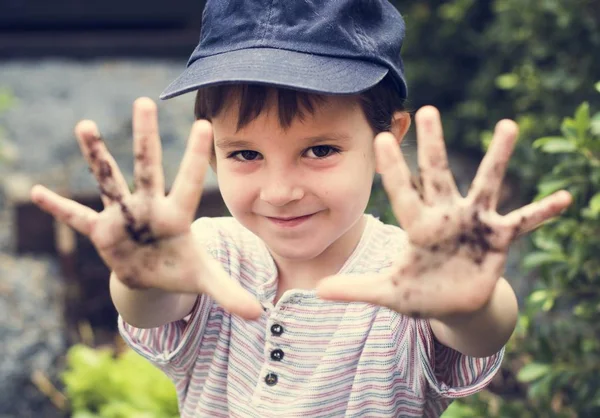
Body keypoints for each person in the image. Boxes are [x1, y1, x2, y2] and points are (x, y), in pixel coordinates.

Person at [30, 0, 573, 416]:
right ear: (212, 150)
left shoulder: (414, 276)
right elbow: (149, 306)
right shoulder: (207, 256)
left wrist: (468, 303)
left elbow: (479, 330)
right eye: (245, 153)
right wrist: (141, 278)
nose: (280, 189)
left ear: (389, 136)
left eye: (320, 150)